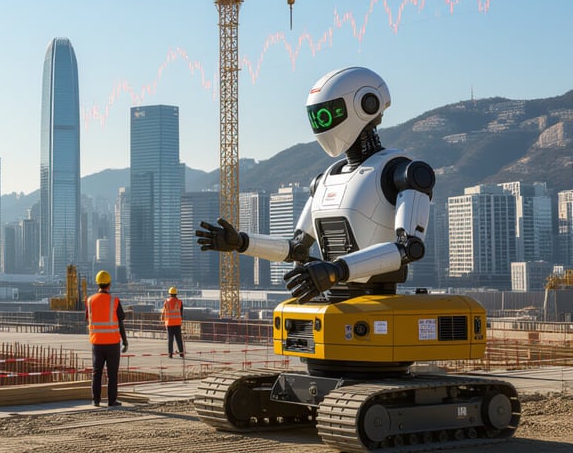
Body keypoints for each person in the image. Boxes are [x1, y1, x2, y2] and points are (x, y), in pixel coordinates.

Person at [196, 67, 433, 304]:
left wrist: (337, 270)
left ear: (367, 104)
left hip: (379, 301)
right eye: (316, 117)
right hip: (334, 297)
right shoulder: (325, 179)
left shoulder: (401, 171)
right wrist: (242, 242)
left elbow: (409, 248)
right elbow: (297, 248)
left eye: (327, 114)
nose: (321, 123)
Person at [85, 271, 129, 407]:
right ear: (109, 284)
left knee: (96, 372)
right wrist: (125, 341)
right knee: (112, 374)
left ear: (97, 283)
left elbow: (88, 318)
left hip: (97, 342)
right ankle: (111, 400)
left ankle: (96, 400)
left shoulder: (90, 300)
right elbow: (120, 322)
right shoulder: (114, 301)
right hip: (112, 343)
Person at [162, 286, 185, 359]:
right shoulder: (180, 302)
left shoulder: (166, 302)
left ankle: (170, 354)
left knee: (170, 340)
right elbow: (181, 313)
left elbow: (164, 312)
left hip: (169, 324)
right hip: (177, 323)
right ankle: (181, 354)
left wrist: (163, 320)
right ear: (176, 294)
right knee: (179, 339)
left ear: (169, 294)